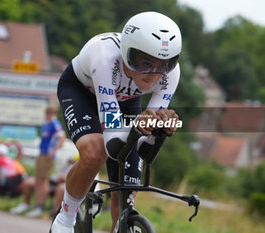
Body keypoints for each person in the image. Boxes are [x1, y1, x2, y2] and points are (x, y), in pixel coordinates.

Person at [51, 11, 182, 233]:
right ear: (126, 52)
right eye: (145, 62)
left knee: (128, 185)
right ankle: (65, 218)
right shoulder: (105, 58)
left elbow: (143, 150)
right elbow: (113, 144)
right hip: (82, 91)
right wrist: (139, 129)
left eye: (163, 65)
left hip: (127, 101)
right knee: (95, 153)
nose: (152, 74)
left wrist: (160, 132)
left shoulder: (171, 74)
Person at [25, 105, 66, 217]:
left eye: (49, 114)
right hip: (41, 153)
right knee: (38, 180)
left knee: (43, 180)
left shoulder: (54, 124)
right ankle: (37, 204)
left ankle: (41, 206)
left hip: (48, 156)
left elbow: (62, 138)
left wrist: (53, 151)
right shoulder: (45, 123)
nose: (48, 116)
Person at [10, 152, 80, 216]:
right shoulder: (67, 165)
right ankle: (26, 204)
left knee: (60, 188)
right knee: (28, 182)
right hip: (53, 180)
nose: (70, 161)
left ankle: (54, 212)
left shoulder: (79, 166)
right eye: (70, 160)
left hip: (66, 184)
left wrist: (64, 179)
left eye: (71, 160)